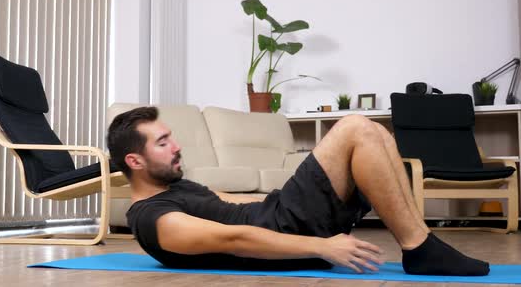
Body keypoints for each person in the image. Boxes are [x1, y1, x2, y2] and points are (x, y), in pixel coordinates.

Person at [107, 106, 489, 276]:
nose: (176, 146)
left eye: (171, 137)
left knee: (373, 134)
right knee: (354, 127)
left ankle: (420, 239)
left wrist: (280, 194)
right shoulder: (153, 219)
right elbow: (234, 237)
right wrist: (324, 247)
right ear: (134, 161)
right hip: (284, 229)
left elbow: (228, 206)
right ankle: (420, 249)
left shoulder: (174, 186)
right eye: (162, 142)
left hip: (279, 216)